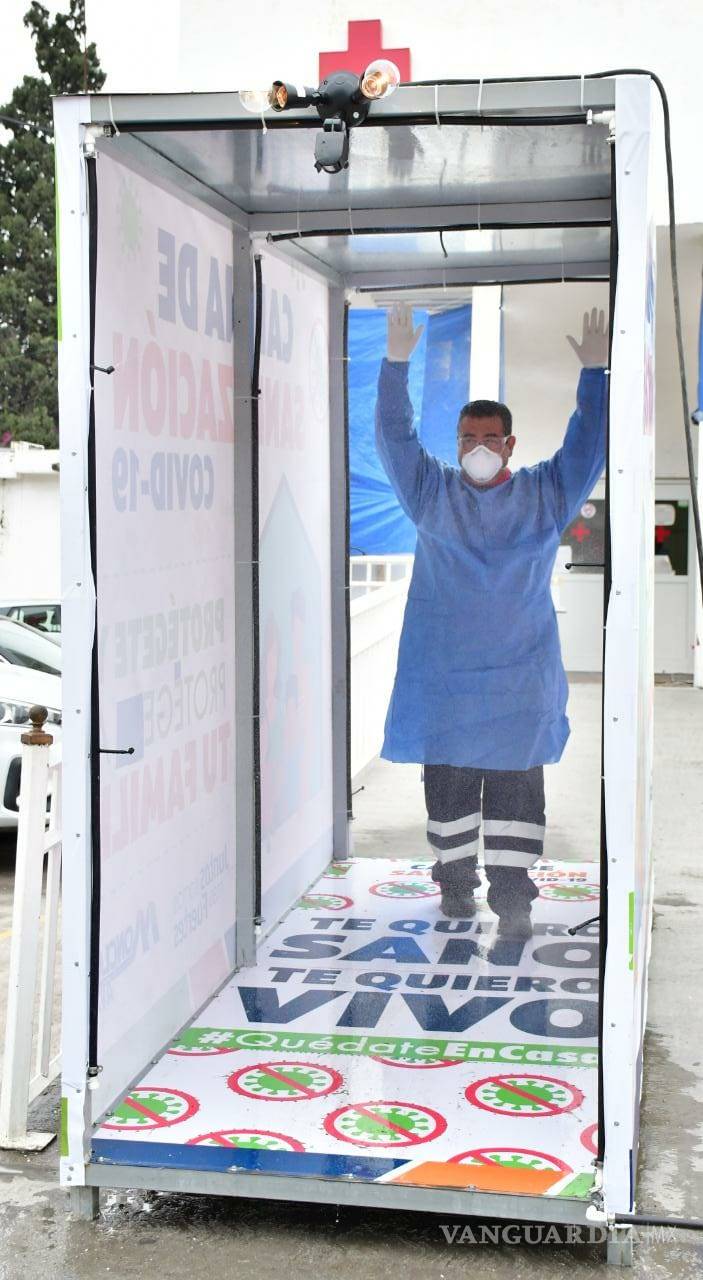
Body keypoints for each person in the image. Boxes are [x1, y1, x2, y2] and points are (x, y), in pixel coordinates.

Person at [375, 303, 609, 937]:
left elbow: (588, 449)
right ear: (456, 443)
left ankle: (514, 901)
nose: (477, 448)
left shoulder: (544, 494)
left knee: (514, 800)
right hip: (447, 683)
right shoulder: (432, 493)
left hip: (516, 683)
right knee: (449, 796)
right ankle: (455, 888)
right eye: (467, 438)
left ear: (510, 444)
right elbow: (394, 439)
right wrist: (395, 365)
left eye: (489, 438)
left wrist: (595, 376)